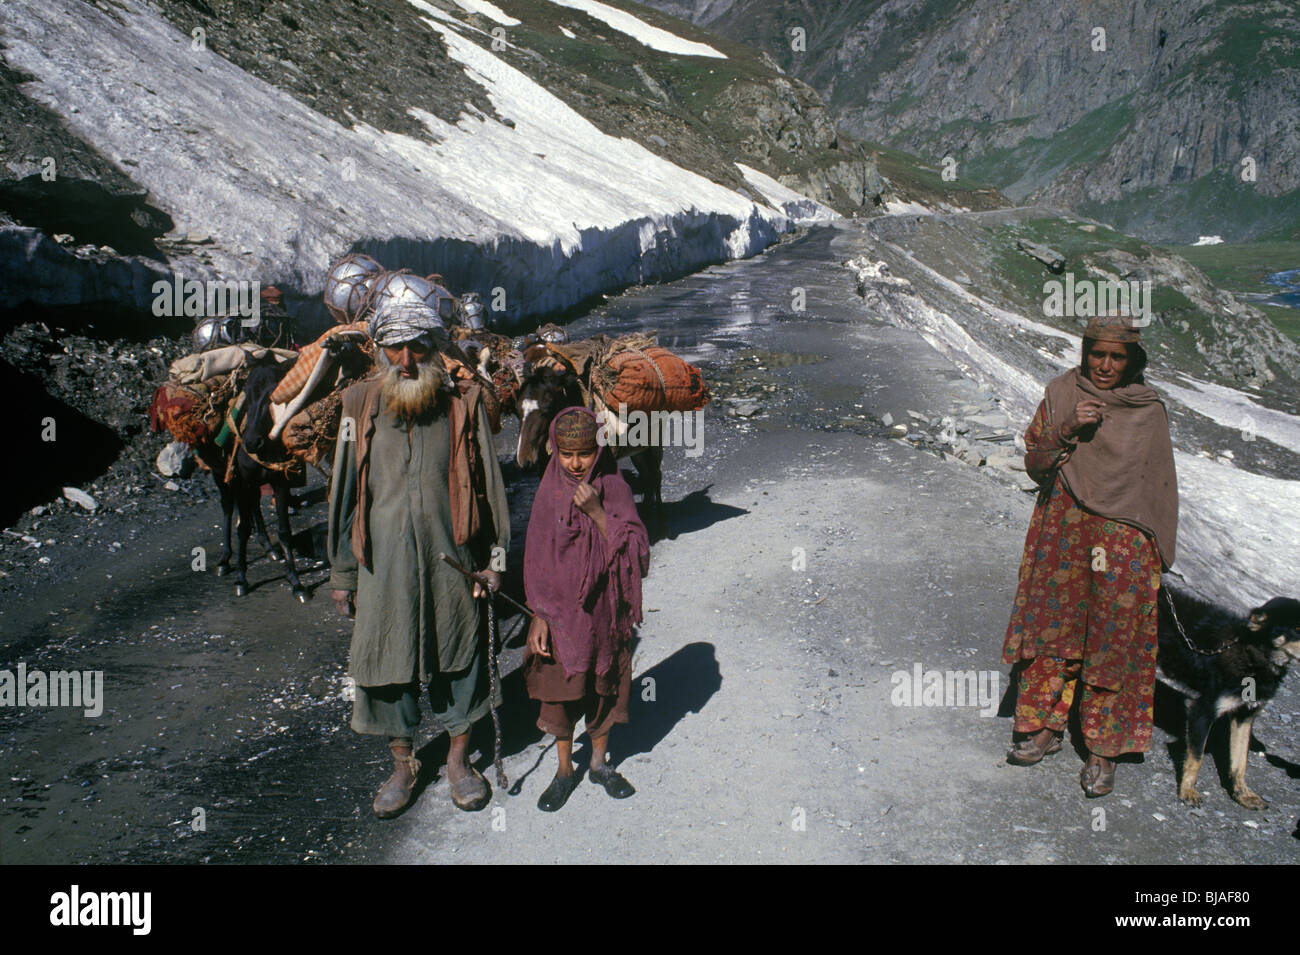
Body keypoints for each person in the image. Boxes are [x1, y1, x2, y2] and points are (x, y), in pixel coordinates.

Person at [328, 298, 510, 819]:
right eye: (395, 347)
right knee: (387, 660)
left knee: (461, 655)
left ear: (435, 350)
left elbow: (490, 491)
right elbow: (344, 491)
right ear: (380, 349)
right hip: (381, 565)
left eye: (418, 347)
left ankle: (457, 760)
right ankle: (403, 763)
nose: (406, 360)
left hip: (453, 561)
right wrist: (343, 574)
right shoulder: (358, 403)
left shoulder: (463, 404)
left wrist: (494, 560)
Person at [1001, 316, 1179, 797]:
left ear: (1131, 360)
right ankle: (1043, 725)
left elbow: (1159, 484)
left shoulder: (1147, 409)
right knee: (1051, 626)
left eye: (1116, 357)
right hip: (1062, 529)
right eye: (1097, 354)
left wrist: (1154, 545)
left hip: (1122, 540)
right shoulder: (1061, 392)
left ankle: (1104, 746)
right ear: (1084, 352)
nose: (1105, 365)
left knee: (1113, 638)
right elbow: (1036, 464)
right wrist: (1066, 427)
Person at [523, 406, 650, 811]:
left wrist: (597, 512)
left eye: (584, 453)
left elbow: (638, 554)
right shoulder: (548, 491)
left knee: (604, 688)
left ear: (598, 449)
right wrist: (538, 616)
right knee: (560, 694)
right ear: (555, 451)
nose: (576, 463)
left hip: (604, 615)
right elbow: (536, 559)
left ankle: (597, 765)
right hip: (560, 618)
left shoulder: (614, 487)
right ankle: (564, 772)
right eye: (567, 453)